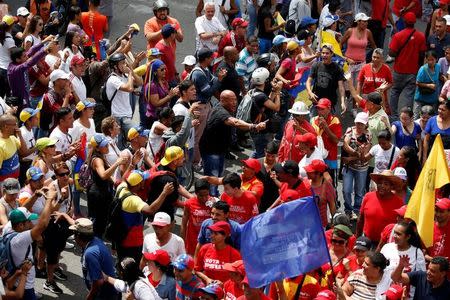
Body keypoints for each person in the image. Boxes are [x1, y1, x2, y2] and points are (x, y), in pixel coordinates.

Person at [199, 90, 266, 196]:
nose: (235, 102)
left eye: (235, 99)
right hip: (211, 151)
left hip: (220, 150)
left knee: (219, 174)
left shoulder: (227, 108)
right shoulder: (221, 112)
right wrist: (253, 126)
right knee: (212, 176)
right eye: (231, 100)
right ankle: (211, 198)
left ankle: (214, 193)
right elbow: (235, 122)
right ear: (223, 101)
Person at [5, 188, 61, 299]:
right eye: (29, 221)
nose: (31, 223)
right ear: (21, 225)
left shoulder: (9, 226)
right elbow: (42, 225)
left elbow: (23, 209)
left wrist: (35, 195)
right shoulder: (20, 239)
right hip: (24, 286)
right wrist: (49, 199)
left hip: (15, 279)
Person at [189, 48, 226, 166]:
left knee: (205, 134)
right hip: (200, 107)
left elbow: (212, 80)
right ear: (205, 59)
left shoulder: (204, 69)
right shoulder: (198, 73)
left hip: (206, 105)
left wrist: (218, 77)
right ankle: (196, 162)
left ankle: (201, 157)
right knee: (197, 136)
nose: (213, 59)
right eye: (211, 57)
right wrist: (219, 80)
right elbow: (208, 92)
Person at [388, 12, 427, 121]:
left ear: (404, 22)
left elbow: (391, 53)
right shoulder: (421, 36)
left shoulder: (398, 36)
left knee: (395, 92)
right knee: (409, 95)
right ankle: (406, 118)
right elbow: (422, 53)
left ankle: (394, 117)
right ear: (414, 23)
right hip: (413, 71)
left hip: (399, 70)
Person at [87, 133, 127, 237]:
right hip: (98, 194)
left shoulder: (101, 156)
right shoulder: (97, 159)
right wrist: (117, 163)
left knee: (103, 220)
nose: (107, 146)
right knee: (98, 222)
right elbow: (103, 175)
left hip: (103, 192)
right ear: (97, 148)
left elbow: (108, 176)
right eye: (104, 145)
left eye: (107, 144)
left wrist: (116, 183)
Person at [71, 218, 121, 299]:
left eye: (74, 234)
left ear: (78, 236)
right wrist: (64, 215)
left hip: (104, 294)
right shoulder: (95, 240)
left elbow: (98, 282)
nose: (73, 236)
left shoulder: (90, 254)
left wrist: (90, 297)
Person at [356, 170, 404, 245]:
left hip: (386, 244)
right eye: (380, 183)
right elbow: (360, 218)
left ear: (392, 186)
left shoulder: (399, 202)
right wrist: (357, 238)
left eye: (386, 184)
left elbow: (401, 225)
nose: (382, 186)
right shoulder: (368, 196)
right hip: (366, 241)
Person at [380, 221, 426, 299]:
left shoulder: (417, 253)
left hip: (406, 297)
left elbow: (421, 278)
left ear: (408, 237)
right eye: (394, 233)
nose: (394, 236)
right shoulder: (387, 248)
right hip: (383, 294)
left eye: (398, 234)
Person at [106, 52, 142, 149]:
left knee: (135, 136)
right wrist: (130, 73)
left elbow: (140, 82)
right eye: (122, 63)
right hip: (117, 116)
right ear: (115, 66)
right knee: (119, 143)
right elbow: (129, 88)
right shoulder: (113, 79)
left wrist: (132, 72)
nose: (124, 65)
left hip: (127, 115)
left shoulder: (125, 76)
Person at [7, 36, 54, 110]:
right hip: (20, 100)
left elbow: (31, 51)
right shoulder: (15, 69)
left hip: (26, 96)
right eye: (24, 56)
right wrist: (45, 50)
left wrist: (45, 41)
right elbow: (30, 63)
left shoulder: (20, 60)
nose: (27, 57)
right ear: (17, 59)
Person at [248, 67, 282, 158]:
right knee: (261, 153)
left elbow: (268, 102)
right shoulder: (261, 96)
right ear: (266, 81)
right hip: (261, 130)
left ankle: (248, 164)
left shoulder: (253, 92)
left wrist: (274, 91)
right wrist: (278, 92)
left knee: (257, 150)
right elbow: (276, 107)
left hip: (255, 127)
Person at [342, 112, 371, 218]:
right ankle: (348, 209)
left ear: (366, 124)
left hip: (361, 168)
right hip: (349, 167)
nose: (359, 126)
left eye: (361, 124)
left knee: (359, 191)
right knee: (346, 190)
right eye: (358, 123)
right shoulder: (350, 130)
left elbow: (364, 156)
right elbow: (345, 145)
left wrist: (351, 157)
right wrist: (355, 153)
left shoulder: (368, 135)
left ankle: (357, 209)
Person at [306, 44, 346, 113]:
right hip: (316, 102)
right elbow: (308, 81)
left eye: (327, 53)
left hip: (330, 103)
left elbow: (341, 87)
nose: (324, 55)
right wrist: (310, 92)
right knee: (313, 122)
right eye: (323, 53)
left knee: (329, 123)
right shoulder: (316, 65)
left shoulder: (337, 68)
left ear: (332, 54)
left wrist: (342, 102)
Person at [181, 179, 217, 256]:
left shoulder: (214, 203)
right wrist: (182, 241)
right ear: (196, 193)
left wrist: (215, 206)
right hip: (192, 241)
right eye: (201, 195)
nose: (204, 198)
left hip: (209, 240)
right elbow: (184, 224)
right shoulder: (189, 203)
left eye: (206, 195)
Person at [311, 98, 342, 184]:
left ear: (329, 109)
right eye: (318, 108)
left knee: (330, 185)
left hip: (330, 158)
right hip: (316, 157)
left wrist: (326, 128)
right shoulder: (313, 120)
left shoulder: (335, 121)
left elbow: (336, 140)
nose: (320, 111)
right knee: (316, 184)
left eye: (322, 109)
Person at [0, 114, 36, 181]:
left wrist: (20, 136)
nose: (17, 127)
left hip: (15, 180)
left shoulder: (12, 138)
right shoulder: (1, 146)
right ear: (6, 127)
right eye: (14, 124)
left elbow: (24, 150)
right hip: (5, 184)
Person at [341, 13, 376, 79]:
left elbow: (374, 46)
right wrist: (344, 58)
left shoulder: (368, 32)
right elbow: (340, 44)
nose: (367, 23)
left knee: (359, 88)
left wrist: (374, 60)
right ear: (358, 22)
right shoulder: (350, 31)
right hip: (348, 64)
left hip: (362, 64)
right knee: (348, 88)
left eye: (367, 21)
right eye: (364, 21)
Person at [357, 48, 393, 114]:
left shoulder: (386, 69)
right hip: (367, 100)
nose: (375, 59)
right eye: (374, 57)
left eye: (378, 58)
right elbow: (360, 82)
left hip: (380, 101)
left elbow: (390, 83)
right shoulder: (365, 68)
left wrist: (383, 88)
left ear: (382, 59)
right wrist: (358, 97)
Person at [305, 159, 336, 228]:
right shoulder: (305, 183)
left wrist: (333, 226)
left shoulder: (327, 185)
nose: (307, 172)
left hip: (321, 227)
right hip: (306, 225)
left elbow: (332, 206)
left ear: (318, 173)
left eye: (310, 171)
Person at [414, 50, 441, 119]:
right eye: (428, 60)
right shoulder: (423, 69)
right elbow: (417, 82)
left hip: (433, 98)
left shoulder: (438, 67)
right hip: (421, 98)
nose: (430, 62)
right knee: (417, 117)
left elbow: (439, 76)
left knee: (432, 118)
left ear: (436, 59)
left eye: (432, 60)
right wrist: (428, 85)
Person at [429, 198, 450, 264]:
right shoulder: (428, 227)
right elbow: (422, 252)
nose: (438, 214)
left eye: (441, 211)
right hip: (430, 271)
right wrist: (434, 261)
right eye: (436, 210)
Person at [0, 15, 15, 99]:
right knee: (9, 95)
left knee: (1, 95)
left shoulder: (1, 36)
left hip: (0, 68)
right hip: (6, 71)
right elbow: (14, 55)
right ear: (11, 26)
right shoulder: (9, 40)